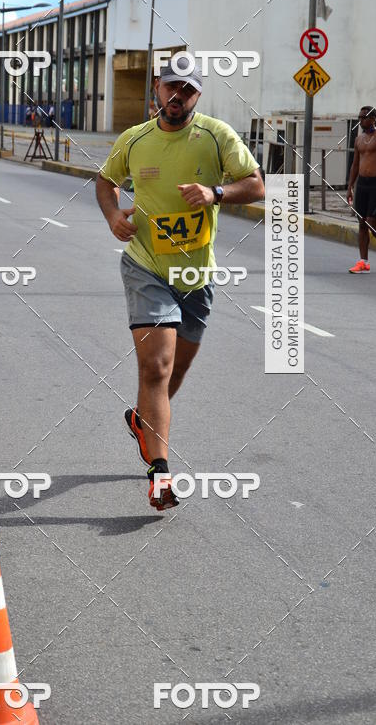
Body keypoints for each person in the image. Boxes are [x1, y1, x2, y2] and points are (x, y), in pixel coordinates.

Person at [96, 57, 264, 511]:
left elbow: (256, 184)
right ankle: (160, 473)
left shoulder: (215, 136)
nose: (178, 97)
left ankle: (143, 420)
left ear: (198, 95)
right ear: (156, 88)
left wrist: (216, 193)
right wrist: (114, 216)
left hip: (196, 275)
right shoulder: (135, 140)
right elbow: (106, 182)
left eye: (187, 90)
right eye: (171, 87)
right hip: (145, 267)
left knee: (177, 371)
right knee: (157, 367)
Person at [346, 105, 376, 273]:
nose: (360, 120)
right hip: (362, 184)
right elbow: (355, 164)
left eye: (363, 117)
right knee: (362, 223)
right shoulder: (359, 139)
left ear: (372, 118)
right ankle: (363, 261)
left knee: (371, 222)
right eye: (359, 117)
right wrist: (350, 186)